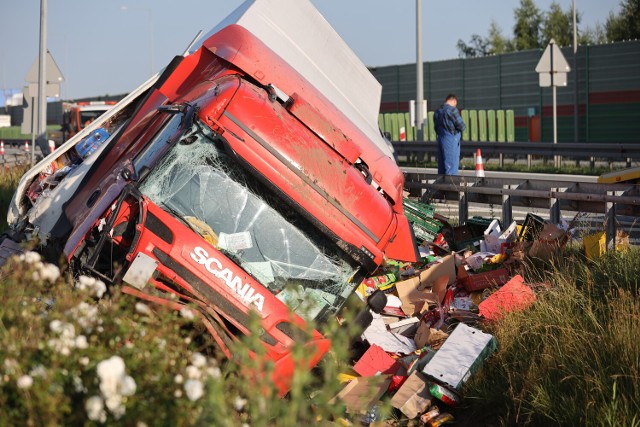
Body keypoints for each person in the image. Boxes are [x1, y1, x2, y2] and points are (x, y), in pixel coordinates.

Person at [434, 94, 466, 175]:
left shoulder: (438, 111)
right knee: (451, 167)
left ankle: (441, 186)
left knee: (442, 167)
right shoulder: (452, 110)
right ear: (454, 101)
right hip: (451, 141)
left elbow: (436, 127)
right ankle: (451, 186)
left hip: (441, 139)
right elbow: (462, 126)